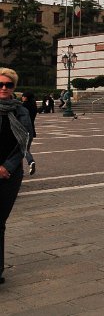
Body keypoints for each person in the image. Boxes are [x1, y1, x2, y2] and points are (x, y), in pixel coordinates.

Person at [0, 68, 34, 286]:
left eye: (8, 85)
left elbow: (25, 142)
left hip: (10, 174)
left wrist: (7, 166)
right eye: (0, 84)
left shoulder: (21, 111)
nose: (3, 88)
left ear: (14, 87)